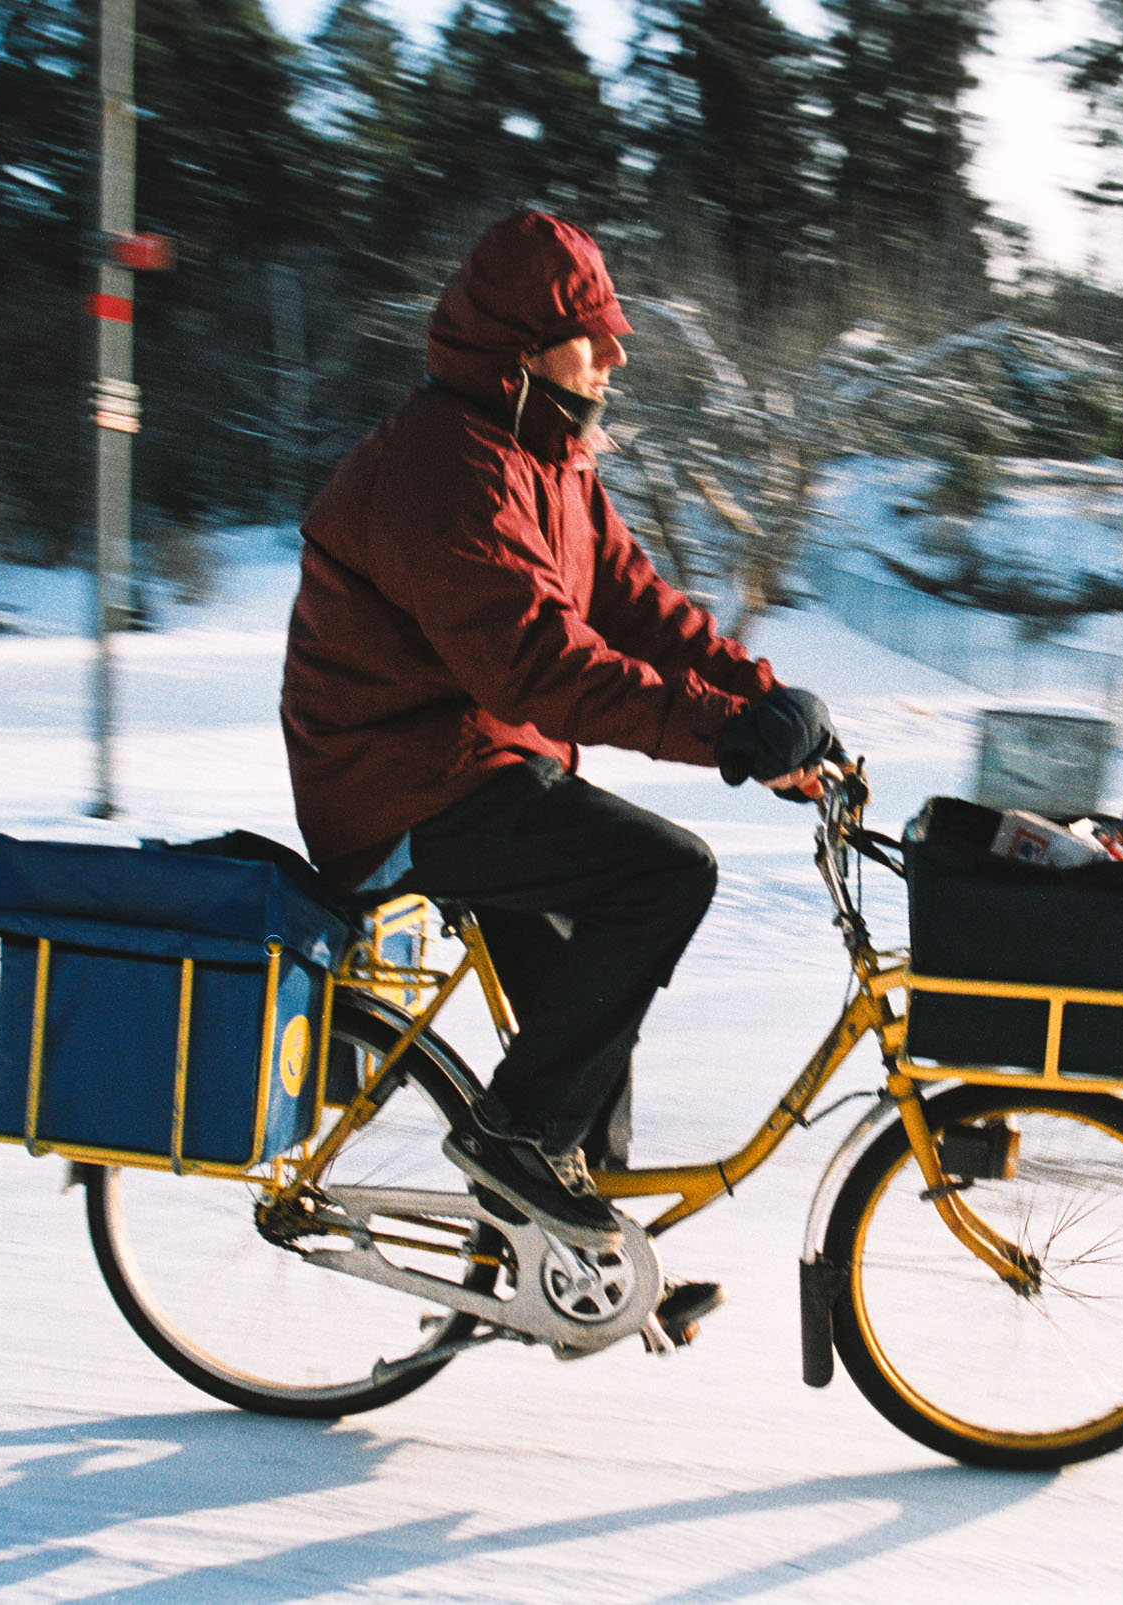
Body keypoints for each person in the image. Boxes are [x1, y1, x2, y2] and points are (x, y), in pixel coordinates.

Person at [280, 212, 838, 1312]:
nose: (615, 355)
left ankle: (569, 1263)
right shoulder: (447, 466)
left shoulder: (549, 457)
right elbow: (535, 664)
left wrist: (761, 700)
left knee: (591, 994)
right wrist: (723, 738)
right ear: (521, 349)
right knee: (664, 873)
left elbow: (635, 607)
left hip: (481, 761)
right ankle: (515, 1144)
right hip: (401, 782)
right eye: (591, 335)